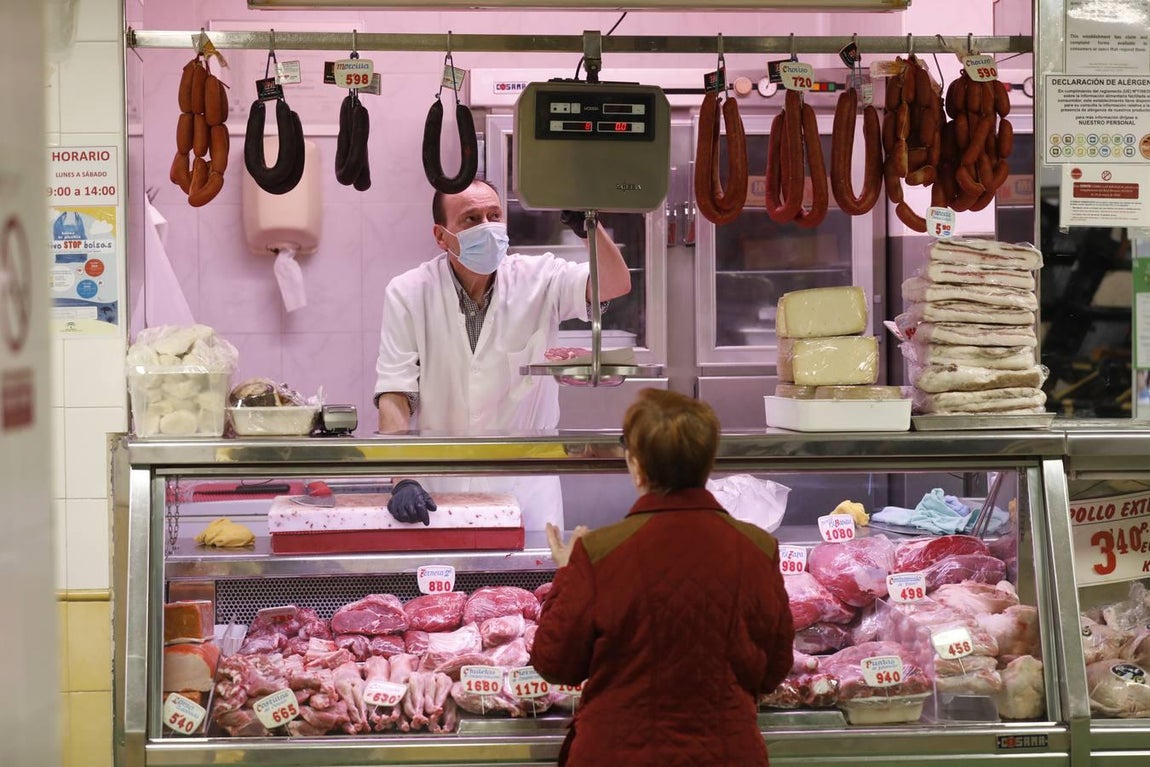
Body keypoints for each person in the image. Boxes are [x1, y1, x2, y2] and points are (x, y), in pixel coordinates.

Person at [531, 388, 794, 767]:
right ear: (706, 464)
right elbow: (773, 671)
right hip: (727, 754)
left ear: (637, 466)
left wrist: (568, 573)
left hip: (616, 755)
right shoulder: (759, 549)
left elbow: (554, 664)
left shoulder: (601, 552)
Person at [374, 179, 631, 529]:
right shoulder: (408, 292)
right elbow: (395, 392)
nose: (487, 227)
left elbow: (615, 282)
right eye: (471, 219)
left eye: (494, 215)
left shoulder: (540, 276)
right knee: (448, 583)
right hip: (442, 487)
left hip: (526, 484)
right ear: (441, 236)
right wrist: (400, 478)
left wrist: (588, 226)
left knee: (529, 583)